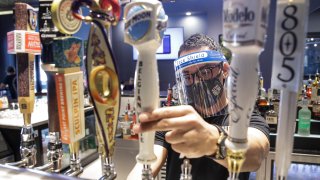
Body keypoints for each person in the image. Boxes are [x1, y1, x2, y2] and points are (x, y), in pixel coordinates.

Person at [127, 34, 270, 180]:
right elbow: (146, 165)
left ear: (225, 70)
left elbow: (255, 155)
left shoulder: (244, 117)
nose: (196, 82)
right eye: (188, 76)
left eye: (205, 72)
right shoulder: (176, 119)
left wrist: (213, 142)